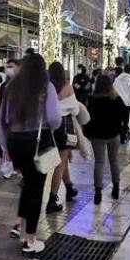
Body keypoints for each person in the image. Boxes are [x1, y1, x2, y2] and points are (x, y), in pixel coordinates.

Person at [0, 53, 61, 254]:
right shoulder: (46, 87)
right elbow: (54, 119)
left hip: (15, 143)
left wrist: (5, 148)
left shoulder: (11, 87)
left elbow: (3, 120)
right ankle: (31, 240)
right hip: (36, 143)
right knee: (36, 188)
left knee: (28, 183)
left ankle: (21, 226)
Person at [47, 61, 81, 214]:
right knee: (60, 163)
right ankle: (52, 199)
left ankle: (69, 188)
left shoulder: (46, 87)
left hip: (49, 127)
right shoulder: (67, 87)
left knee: (63, 159)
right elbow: (75, 109)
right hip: (64, 127)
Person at [85, 75, 123, 205]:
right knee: (114, 161)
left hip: (98, 136)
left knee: (99, 163)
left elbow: (88, 119)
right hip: (113, 135)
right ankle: (116, 188)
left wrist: (88, 134)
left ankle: (98, 192)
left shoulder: (92, 100)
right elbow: (122, 117)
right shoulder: (116, 99)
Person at [113, 65, 130, 144]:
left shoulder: (117, 79)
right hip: (126, 102)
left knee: (118, 119)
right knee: (125, 120)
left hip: (117, 101)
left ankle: (117, 136)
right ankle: (123, 137)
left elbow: (113, 89)